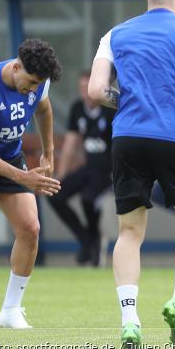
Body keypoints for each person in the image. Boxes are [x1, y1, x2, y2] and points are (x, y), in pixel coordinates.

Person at [88, 0, 175, 349]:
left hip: (127, 136)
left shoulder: (115, 34)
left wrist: (125, 102)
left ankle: (129, 321)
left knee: (129, 232)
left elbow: (95, 92)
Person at [0, 39, 63, 330]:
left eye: (39, 84)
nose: (33, 89)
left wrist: (48, 152)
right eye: (31, 82)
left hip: (9, 155)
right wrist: (23, 177)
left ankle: (10, 310)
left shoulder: (39, 84)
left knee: (30, 228)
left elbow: (44, 110)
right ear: (16, 67)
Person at [48, 70, 114, 267]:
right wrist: (60, 176)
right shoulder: (78, 108)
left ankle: (92, 243)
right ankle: (88, 241)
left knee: (88, 199)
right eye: (82, 88)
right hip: (88, 168)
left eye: (89, 88)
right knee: (56, 196)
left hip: (108, 170)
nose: (86, 93)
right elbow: (70, 143)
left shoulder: (111, 109)